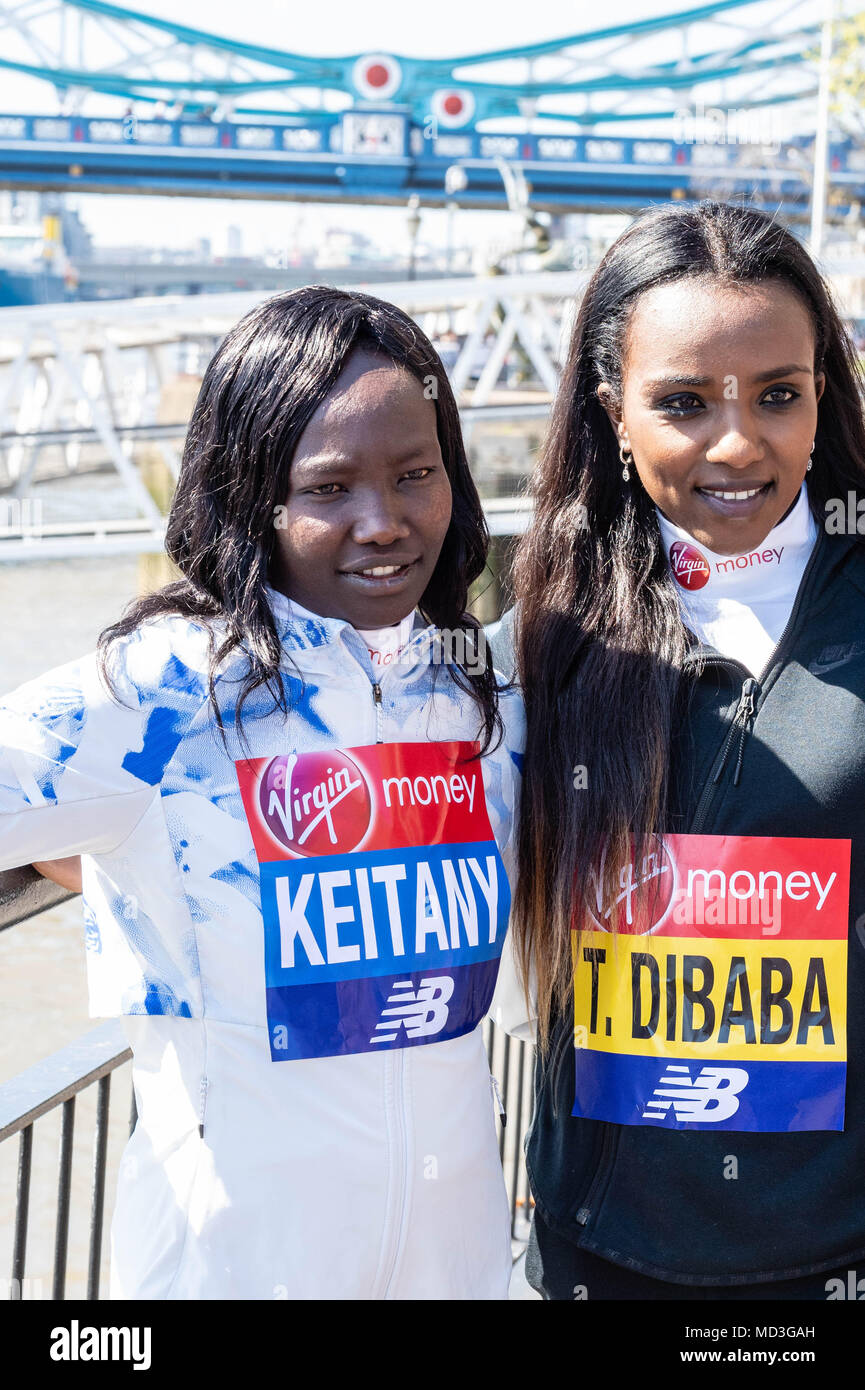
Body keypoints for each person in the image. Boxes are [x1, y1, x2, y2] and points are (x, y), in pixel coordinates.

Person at [0, 286, 524, 1300]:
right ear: (253, 497)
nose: (384, 522)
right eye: (328, 488)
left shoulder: (478, 689)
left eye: (416, 474)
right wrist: (119, 851)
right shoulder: (161, 697)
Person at [490, 199, 865, 1299]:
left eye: (778, 396)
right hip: (594, 1257)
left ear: (821, 399)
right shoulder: (533, 636)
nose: (737, 443)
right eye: (684, 403)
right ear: (613, 411)